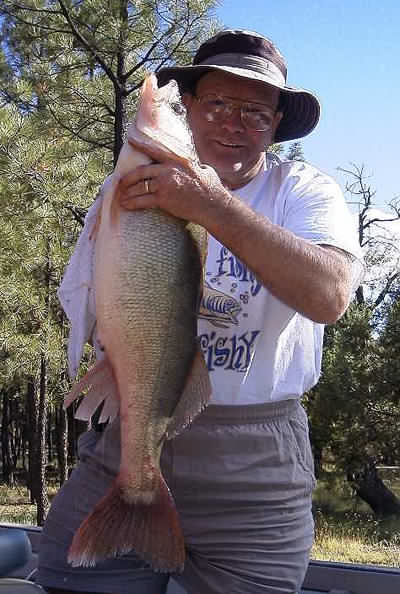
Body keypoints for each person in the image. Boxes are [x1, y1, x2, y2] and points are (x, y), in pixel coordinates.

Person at [36, 29, 363, 594]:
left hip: (256, 463)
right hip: (124, 431)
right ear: (186, 107)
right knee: (70, 579)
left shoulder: (305, 192)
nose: (234, 124)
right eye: (217, 103)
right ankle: (133, 496)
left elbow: (328, 297)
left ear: (278, 125)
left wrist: (210, 205)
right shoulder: (128, 186)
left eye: (255, 113)